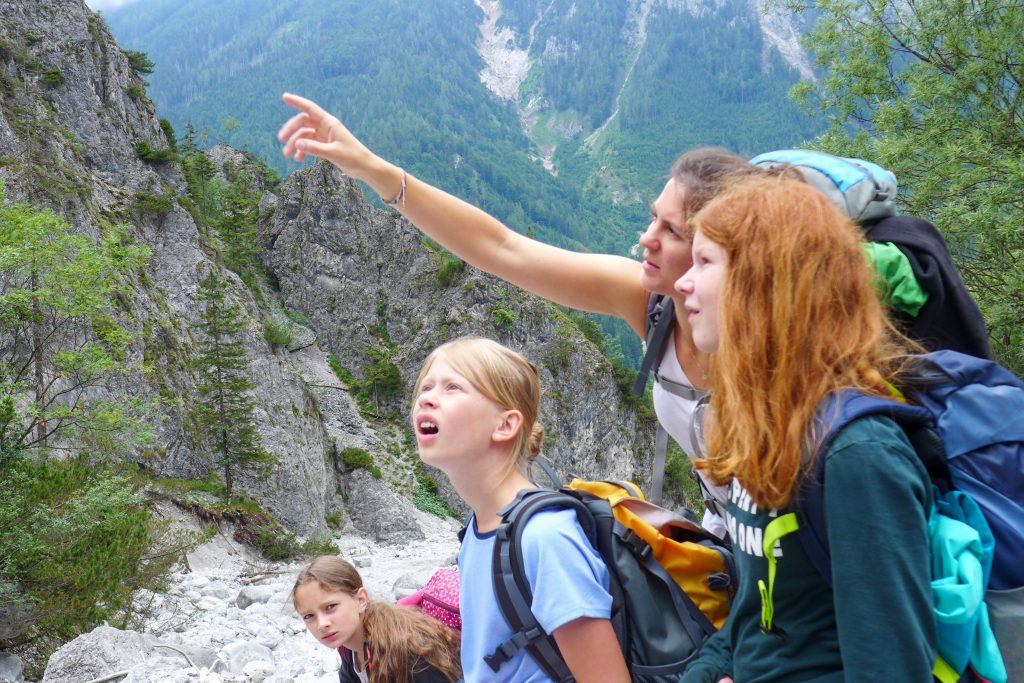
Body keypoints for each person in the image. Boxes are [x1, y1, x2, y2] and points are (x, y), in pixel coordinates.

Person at [277, 92, 766, 538]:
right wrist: (372, 169)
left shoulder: (774, 348)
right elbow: (501, 248)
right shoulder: (650, 305)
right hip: (732, 546)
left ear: (721, 247)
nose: (646, 238)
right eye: (652, 216)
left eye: (672, 231)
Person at [674, 174, 935, 682]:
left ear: (765, 283)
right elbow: (757, 619)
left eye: (705, 262)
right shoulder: (772, 428)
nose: (683, 282)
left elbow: (891, 668)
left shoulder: (856, 454)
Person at [410, 336, 631, 682]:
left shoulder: (544, 537)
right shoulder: (478, 528)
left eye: (453, 387)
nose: (426, 397)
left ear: (505, 425)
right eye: (426, 387)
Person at [292, 555, 462, 683]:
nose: (322, 624)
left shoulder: (408, 653)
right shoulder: (349, 649)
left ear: (361, 600)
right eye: (309, 616)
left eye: (331, 607)